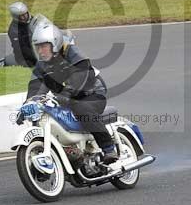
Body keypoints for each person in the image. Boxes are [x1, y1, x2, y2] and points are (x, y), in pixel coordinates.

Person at [23, 21, 119, 164]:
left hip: (91, 94)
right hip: (67, 98)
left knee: (81, 108)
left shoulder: (72, 54)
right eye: (38, 48)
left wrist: (66, 95)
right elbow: (37, 86)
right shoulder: (43, 64)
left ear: (54, 43)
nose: (40, 51)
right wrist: (29, 103)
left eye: (43, 46)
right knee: (46, 113)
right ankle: (70, 151)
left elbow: (80, 80)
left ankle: (108, 147)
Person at [7, 1, 49, 67]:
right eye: (20, 16)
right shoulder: (14, 31)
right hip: (25, 57)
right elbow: (23, 49)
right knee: (36, 69)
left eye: (25, 14)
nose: (24, 17)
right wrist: (38, 56)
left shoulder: (32, 19)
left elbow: (42, 28)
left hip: (37, 48)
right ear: (15, 17)